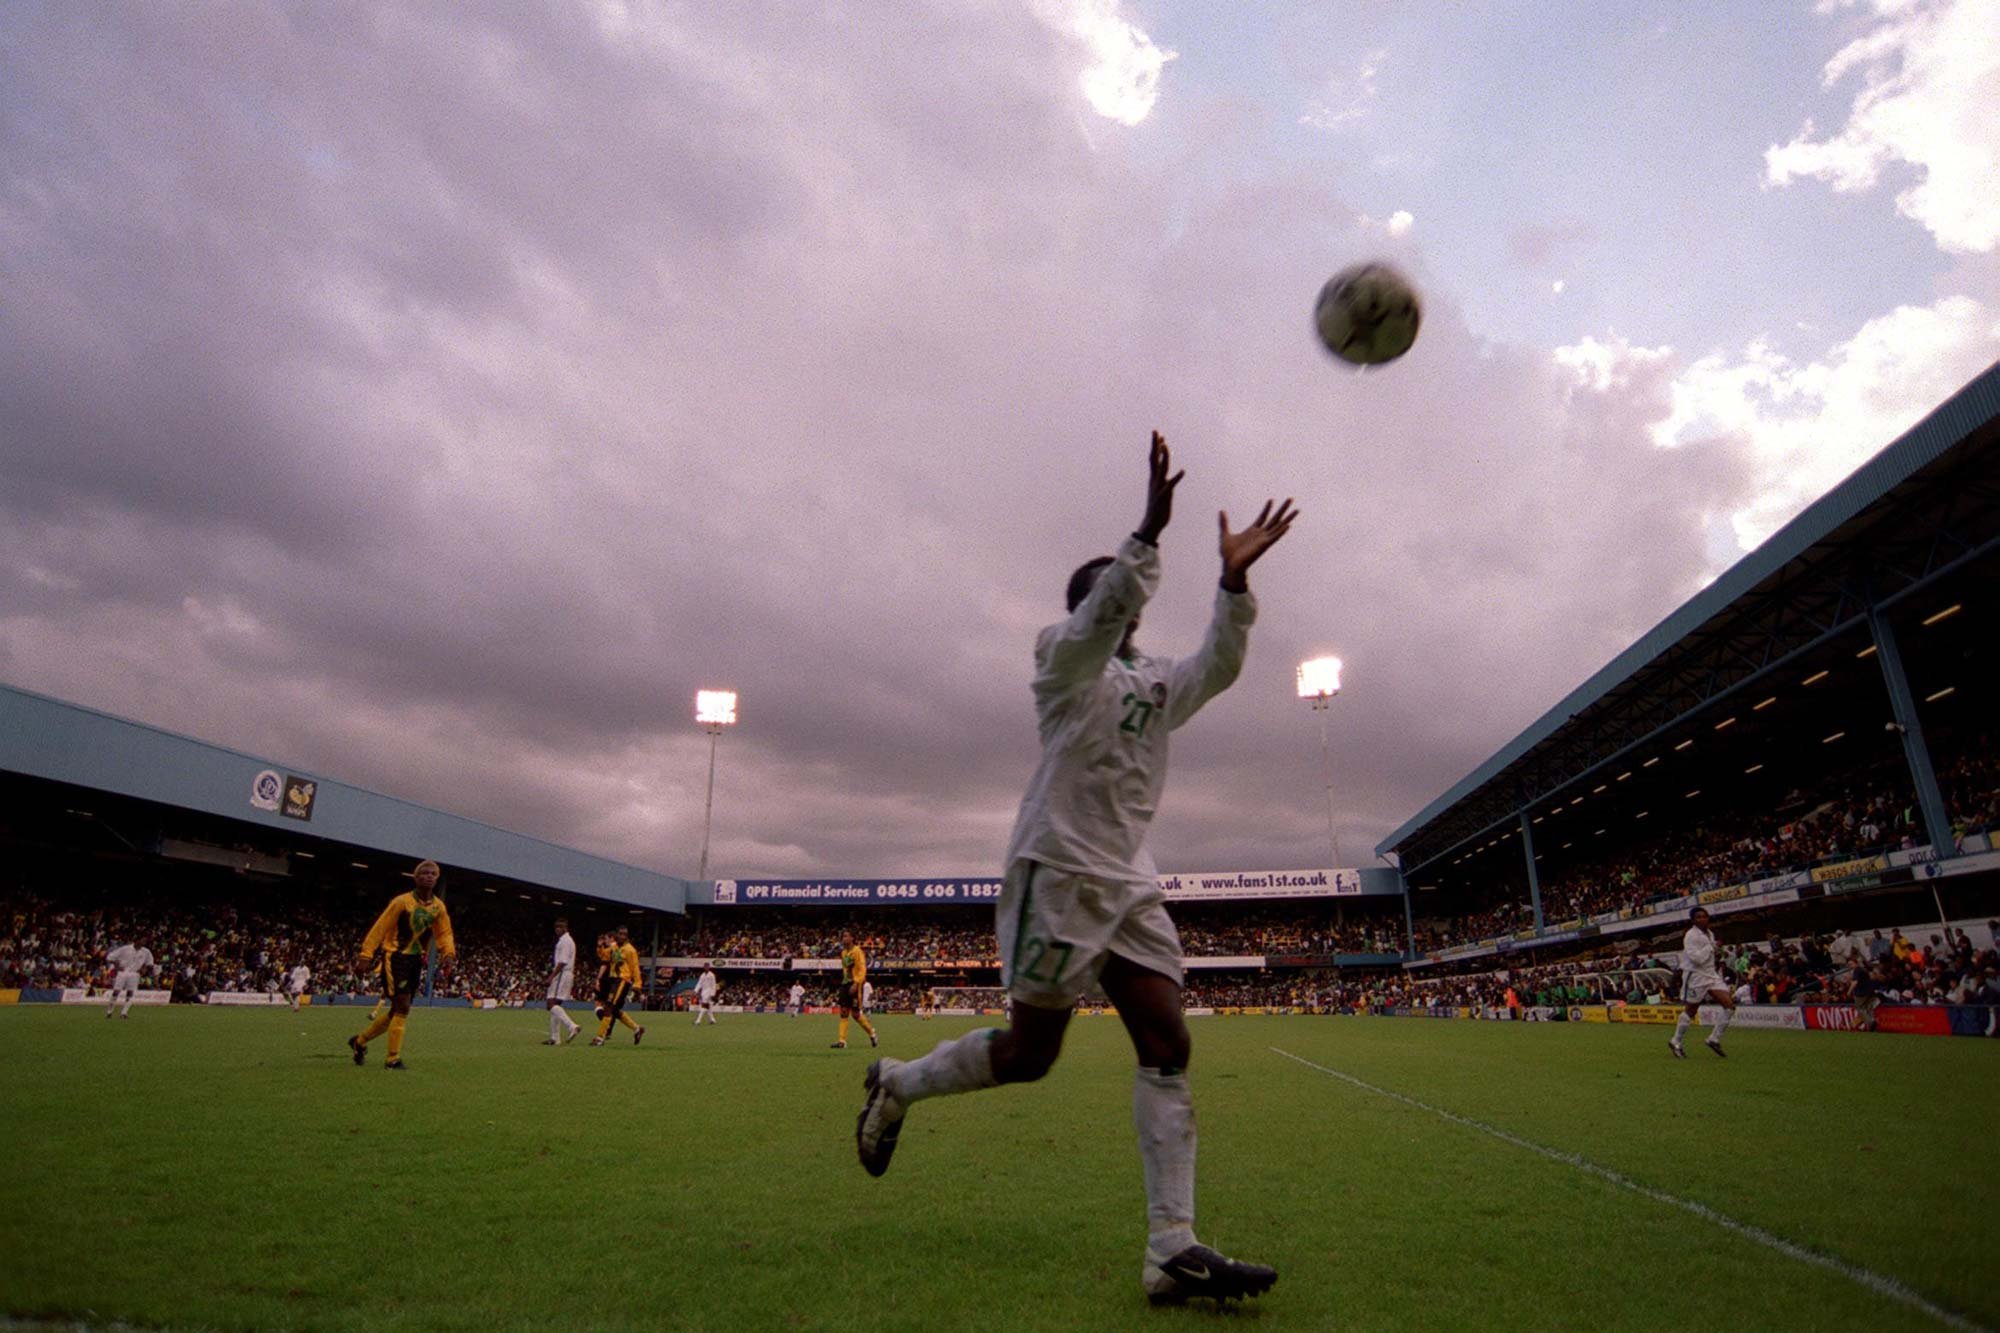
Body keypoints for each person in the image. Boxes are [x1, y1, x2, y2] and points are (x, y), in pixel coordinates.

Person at [854, 433, 1293, 1304]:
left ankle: (1171, 1245)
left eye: (1126, 596)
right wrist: (1148, 532)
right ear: (1093, 603)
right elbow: (1099, 615)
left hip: (1127, 879)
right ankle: (897, 1083)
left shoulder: (1157, 683)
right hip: (1055, 870)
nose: (1124, 604)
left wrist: (1234, 583)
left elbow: (1220, 665)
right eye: (1113, 592)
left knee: (1168, 1042)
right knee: (1031, 1054)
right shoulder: (1059, 660)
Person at [348, 859, 457, 1070]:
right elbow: (380, 927)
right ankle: (392, 1059)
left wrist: (448, 954)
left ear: (436, 878)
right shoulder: (401, 902)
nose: (428, 876)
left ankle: (359, 1042)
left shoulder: (438, 907)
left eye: (433, 874)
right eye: (424, 873)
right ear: (415, 878)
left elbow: (444, 933)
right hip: (395, 956)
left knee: (396, 1011)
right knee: (403, 1006)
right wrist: (365, 955)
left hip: (416, 960)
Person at [1671, 907, 1734, 1058]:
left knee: (1730, 1006)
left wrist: (1718, 951)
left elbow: (1709, 954)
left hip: (1710, 975)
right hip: (1696, 976)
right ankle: (1676, 1041)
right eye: (1698, 917)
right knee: (1691, 1011)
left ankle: (1714, 1038)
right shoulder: (1691, 936)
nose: (1702, 919)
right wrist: (1710, 947)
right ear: (1693, 920)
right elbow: (1696, 959)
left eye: (1704, 917)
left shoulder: (1709, 933)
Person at [591, 926, 645, 1046]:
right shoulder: (614, 947)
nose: (622, 936)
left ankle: (600, 1037)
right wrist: (600, 946)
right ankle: (637, 1029)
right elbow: (604, 956)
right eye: (620, 934)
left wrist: (637, 984)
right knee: (614, 1010)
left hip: (622, 980)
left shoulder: (630, 950)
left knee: (608, 1007)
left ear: (627, 936)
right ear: (617, 935)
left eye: (624, 934)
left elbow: (635, 968)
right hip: (613, 979)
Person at [832, 932, 878, 1049]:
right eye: (843, 936)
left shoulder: (857, 951)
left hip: (855, 984)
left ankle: (872, 1033)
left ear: (852, 938)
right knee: (843, 1012)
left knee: (856, 1014)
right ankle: (842, 1041)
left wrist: (857, 983)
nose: (844, 938)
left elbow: (862, 968)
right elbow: (845, 969)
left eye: (847, 936)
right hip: (845, 983)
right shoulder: (843, 953)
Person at [544, 918, 580, 1045]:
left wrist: (551, 976)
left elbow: (563, 961)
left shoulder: (565, 941)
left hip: (562, 974)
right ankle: (555, 1038)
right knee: (556, 1005)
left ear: (566, 928)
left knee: (550, 1004)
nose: (558, 929)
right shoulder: (566, 941)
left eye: (561, 927)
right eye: (556, 927)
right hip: (565, 974)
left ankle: (571, 1026)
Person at [104, 941, 155, 1019]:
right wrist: (116, 965)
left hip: (135, 973)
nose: (142, 943)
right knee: (116, 992)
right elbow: (109, 957)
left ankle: (124, 1013)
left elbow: (150, 963)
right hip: (122, 972)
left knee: (130, 993)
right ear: (136, 941)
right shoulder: (125, 949)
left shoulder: (146, 951)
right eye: (141, 940)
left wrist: (144, 969)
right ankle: (109, 1012)